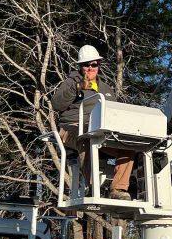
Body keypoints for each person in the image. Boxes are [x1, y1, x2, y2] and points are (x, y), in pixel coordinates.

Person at [51, 45, 134, 201]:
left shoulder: (106, 88)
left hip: (100, 130)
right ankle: (92, 186)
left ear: (98, 65)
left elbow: (113, 111)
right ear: (80, 66)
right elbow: (57, 104)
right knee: (86, 138)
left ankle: (118, 189)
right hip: (72, 127)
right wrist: (78, 88)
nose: (90, 68)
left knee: (128, 146)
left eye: (94, 64)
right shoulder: (71, 83)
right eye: (86, 64)